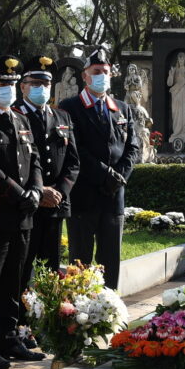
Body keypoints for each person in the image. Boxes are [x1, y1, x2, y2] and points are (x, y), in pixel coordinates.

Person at [0, 54, 45, 369]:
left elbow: (35, 160)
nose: (8, 89)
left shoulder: (20, 119)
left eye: (12, 84)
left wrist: (37, 191)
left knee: (14, 282)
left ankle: (9, 338)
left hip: (25, 215)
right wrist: (19, 193)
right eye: (2, 84)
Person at [57, 49, 140, 289]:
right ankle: (77, 315)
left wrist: (119, 177)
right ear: (85, 76)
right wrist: (105, 174)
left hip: (114, 197)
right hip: (84, 196)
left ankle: (109, 309)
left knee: (110, 261)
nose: (101, 76)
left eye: (105, 72)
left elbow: (132, 148)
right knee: (80, 262)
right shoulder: (70, 107)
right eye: (96, 72)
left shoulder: (122, 108)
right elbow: (75, 149)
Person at [15, 55, 80, 348]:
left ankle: (47, 325)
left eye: (45, 84)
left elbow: (73, 163)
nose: (41, 88)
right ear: (23, 86)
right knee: (23, 269)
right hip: (28, 205)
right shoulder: (15, 115)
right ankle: (21, 326)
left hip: (55, 206)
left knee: (50, 269)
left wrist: (60, 192)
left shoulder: (62, 118)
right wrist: (40, 193)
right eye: (35, 83)